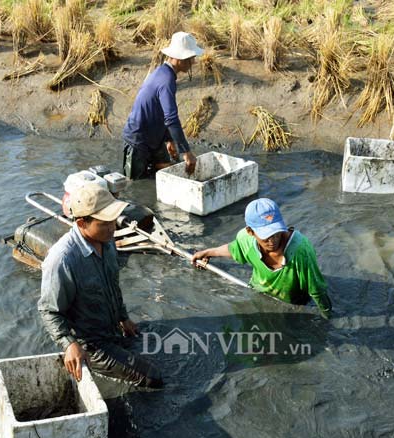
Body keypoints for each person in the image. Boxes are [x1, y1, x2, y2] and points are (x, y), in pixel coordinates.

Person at [38, 183, 162, 388]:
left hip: (111, 327)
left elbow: (113, 283)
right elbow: (48, 311)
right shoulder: (62, 260)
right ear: (81, 223)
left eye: (113, 221)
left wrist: (123, 317)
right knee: (152, 378)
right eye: (104, 223)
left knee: (157, 340)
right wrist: (70, 344)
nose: (112, 228)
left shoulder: (107, 241)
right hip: (90, 344)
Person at [191, 198, 332, 319]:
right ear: (250, 232)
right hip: (258, 293)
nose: (273, 240)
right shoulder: (245, 239)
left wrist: (327, 317)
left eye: (276, 232)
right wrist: (207, 252)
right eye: (266, 236)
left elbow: (317, 289)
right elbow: (234, 249)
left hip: (293, 304)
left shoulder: (301, 251)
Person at [122, 31, 204, 180]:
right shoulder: (166, 81)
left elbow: (160, 112)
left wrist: (169, 139)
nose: (193, 62)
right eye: (191, 58)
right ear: (180, 59)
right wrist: (186, 152)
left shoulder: (163, 73)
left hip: (155, 137)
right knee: (135, 184)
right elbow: (171, 119)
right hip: (138, 140)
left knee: (166, 173)